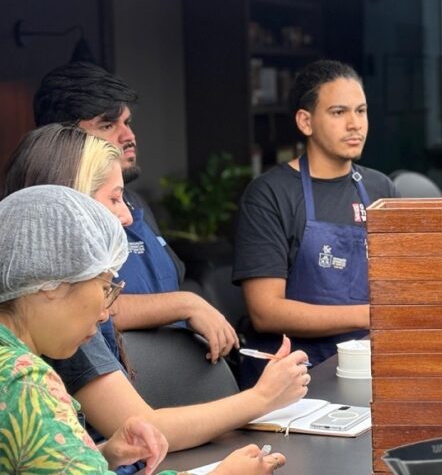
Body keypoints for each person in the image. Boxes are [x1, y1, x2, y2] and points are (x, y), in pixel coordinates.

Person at [2, 124, 312, 454]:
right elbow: (146, 428)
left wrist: (106, 453)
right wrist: (262, 397)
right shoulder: (29, 374)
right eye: (114, 199)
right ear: (66, 211)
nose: (125, 216)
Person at [33, 61, 239, 364]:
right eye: (107, 125)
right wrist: (185, 304)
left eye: (127, 122)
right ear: (65, 139)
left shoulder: (136, 203)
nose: (128, 136)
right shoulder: (56, 217)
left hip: (180, 375)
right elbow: (80, 310)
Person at [233, 59, 397, 383]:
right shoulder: (270, 194)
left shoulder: (381, 189)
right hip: (295, 377)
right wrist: (374, 314)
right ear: (305, 122)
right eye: (339, 112)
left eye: (361, 111)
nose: (355, 124)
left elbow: (401, 285)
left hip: (371, 363)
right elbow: (265, 311)